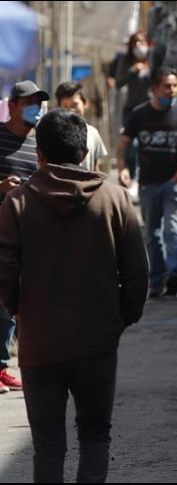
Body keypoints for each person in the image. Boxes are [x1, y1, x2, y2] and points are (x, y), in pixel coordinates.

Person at [0, 108, 148, 483]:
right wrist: (121, 318)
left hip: (40, 344)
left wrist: (20, 312)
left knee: (48, 446)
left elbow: (4, 271)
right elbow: (137, 273)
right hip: (98, 341)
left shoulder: (17, 202)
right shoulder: (115, 200)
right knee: (95, 436)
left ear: (40, 154)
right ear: (85, 152)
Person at [116, 66, 177, 298]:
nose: (172, 90)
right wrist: (123, 169)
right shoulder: (139, 114)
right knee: (152, 234)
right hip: (148, 184)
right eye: (167, 86)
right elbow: (122, 145)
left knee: (173, 231)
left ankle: (174, 275)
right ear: (154, 89)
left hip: (176, 184)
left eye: (175, 86)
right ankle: (156, 280)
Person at [0, 80, 49, 394]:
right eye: (30, 102)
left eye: (39, 102)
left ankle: (6, 364)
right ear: (14, 105)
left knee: (19, 298)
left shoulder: (41, 142)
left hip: (31, 231)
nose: (36, 108)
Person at [114, 32, 152, 181]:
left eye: (142, 42)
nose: (139, 46)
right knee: (131, 145)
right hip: (131, 110)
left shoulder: (152, 61)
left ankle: (145, 176)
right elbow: (118, 82)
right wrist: (133, 71)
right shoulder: (126, 61)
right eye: (135, 43)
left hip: (150, 109)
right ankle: (131, 176)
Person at [55, 81, 109, 172]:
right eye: (65, 106)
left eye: (74, 105)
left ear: (85, 104)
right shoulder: (54, 133)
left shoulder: (93, 133)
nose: (70, 110)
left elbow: (96, 168)